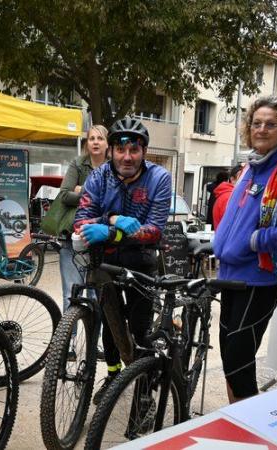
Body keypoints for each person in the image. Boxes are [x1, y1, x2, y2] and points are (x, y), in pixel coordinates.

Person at [213, 96, 277, 404]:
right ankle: (236, 423)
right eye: (256, 123)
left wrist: (256, 241)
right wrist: (218, 242)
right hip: (230, 275)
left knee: (238, 365)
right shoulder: (251, 166)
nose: (262, 129)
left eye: (271, 124)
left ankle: (254, 433)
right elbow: (237, 218)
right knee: (232, 365)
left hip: (258, 278)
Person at [73, 117, 172, 404]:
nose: (127, 157)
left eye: (134, 150)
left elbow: (154, 231)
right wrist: (112, 219)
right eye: (121, 149)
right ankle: (114, 375)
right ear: (112, 150)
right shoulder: (98, 176)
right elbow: (82, 221)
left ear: (144, 152)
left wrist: (111, 233)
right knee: (109, 322)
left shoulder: (159, 178)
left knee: (140, 329)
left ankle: (143, 390)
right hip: (104, 261)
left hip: (141, 261)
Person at [58, 124, 108, 313]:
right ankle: (68, 342)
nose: (95, 142)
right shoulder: (78, 164)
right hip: (73, 238)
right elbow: (63, 195)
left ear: (107, 143)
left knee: (97, 296)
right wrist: (93, 195)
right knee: (71, 294)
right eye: (92, 138)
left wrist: (81, 190)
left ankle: (93, 342)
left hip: (101, 240)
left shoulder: (113, 167)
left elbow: (113, 201)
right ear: (87, 143)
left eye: (100, 138)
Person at [212, 164, 244, 229]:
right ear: (232, 179)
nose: (245, 181)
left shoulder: (226, 195)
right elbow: (231, 224)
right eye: (241, 178)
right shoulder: (229, 197)